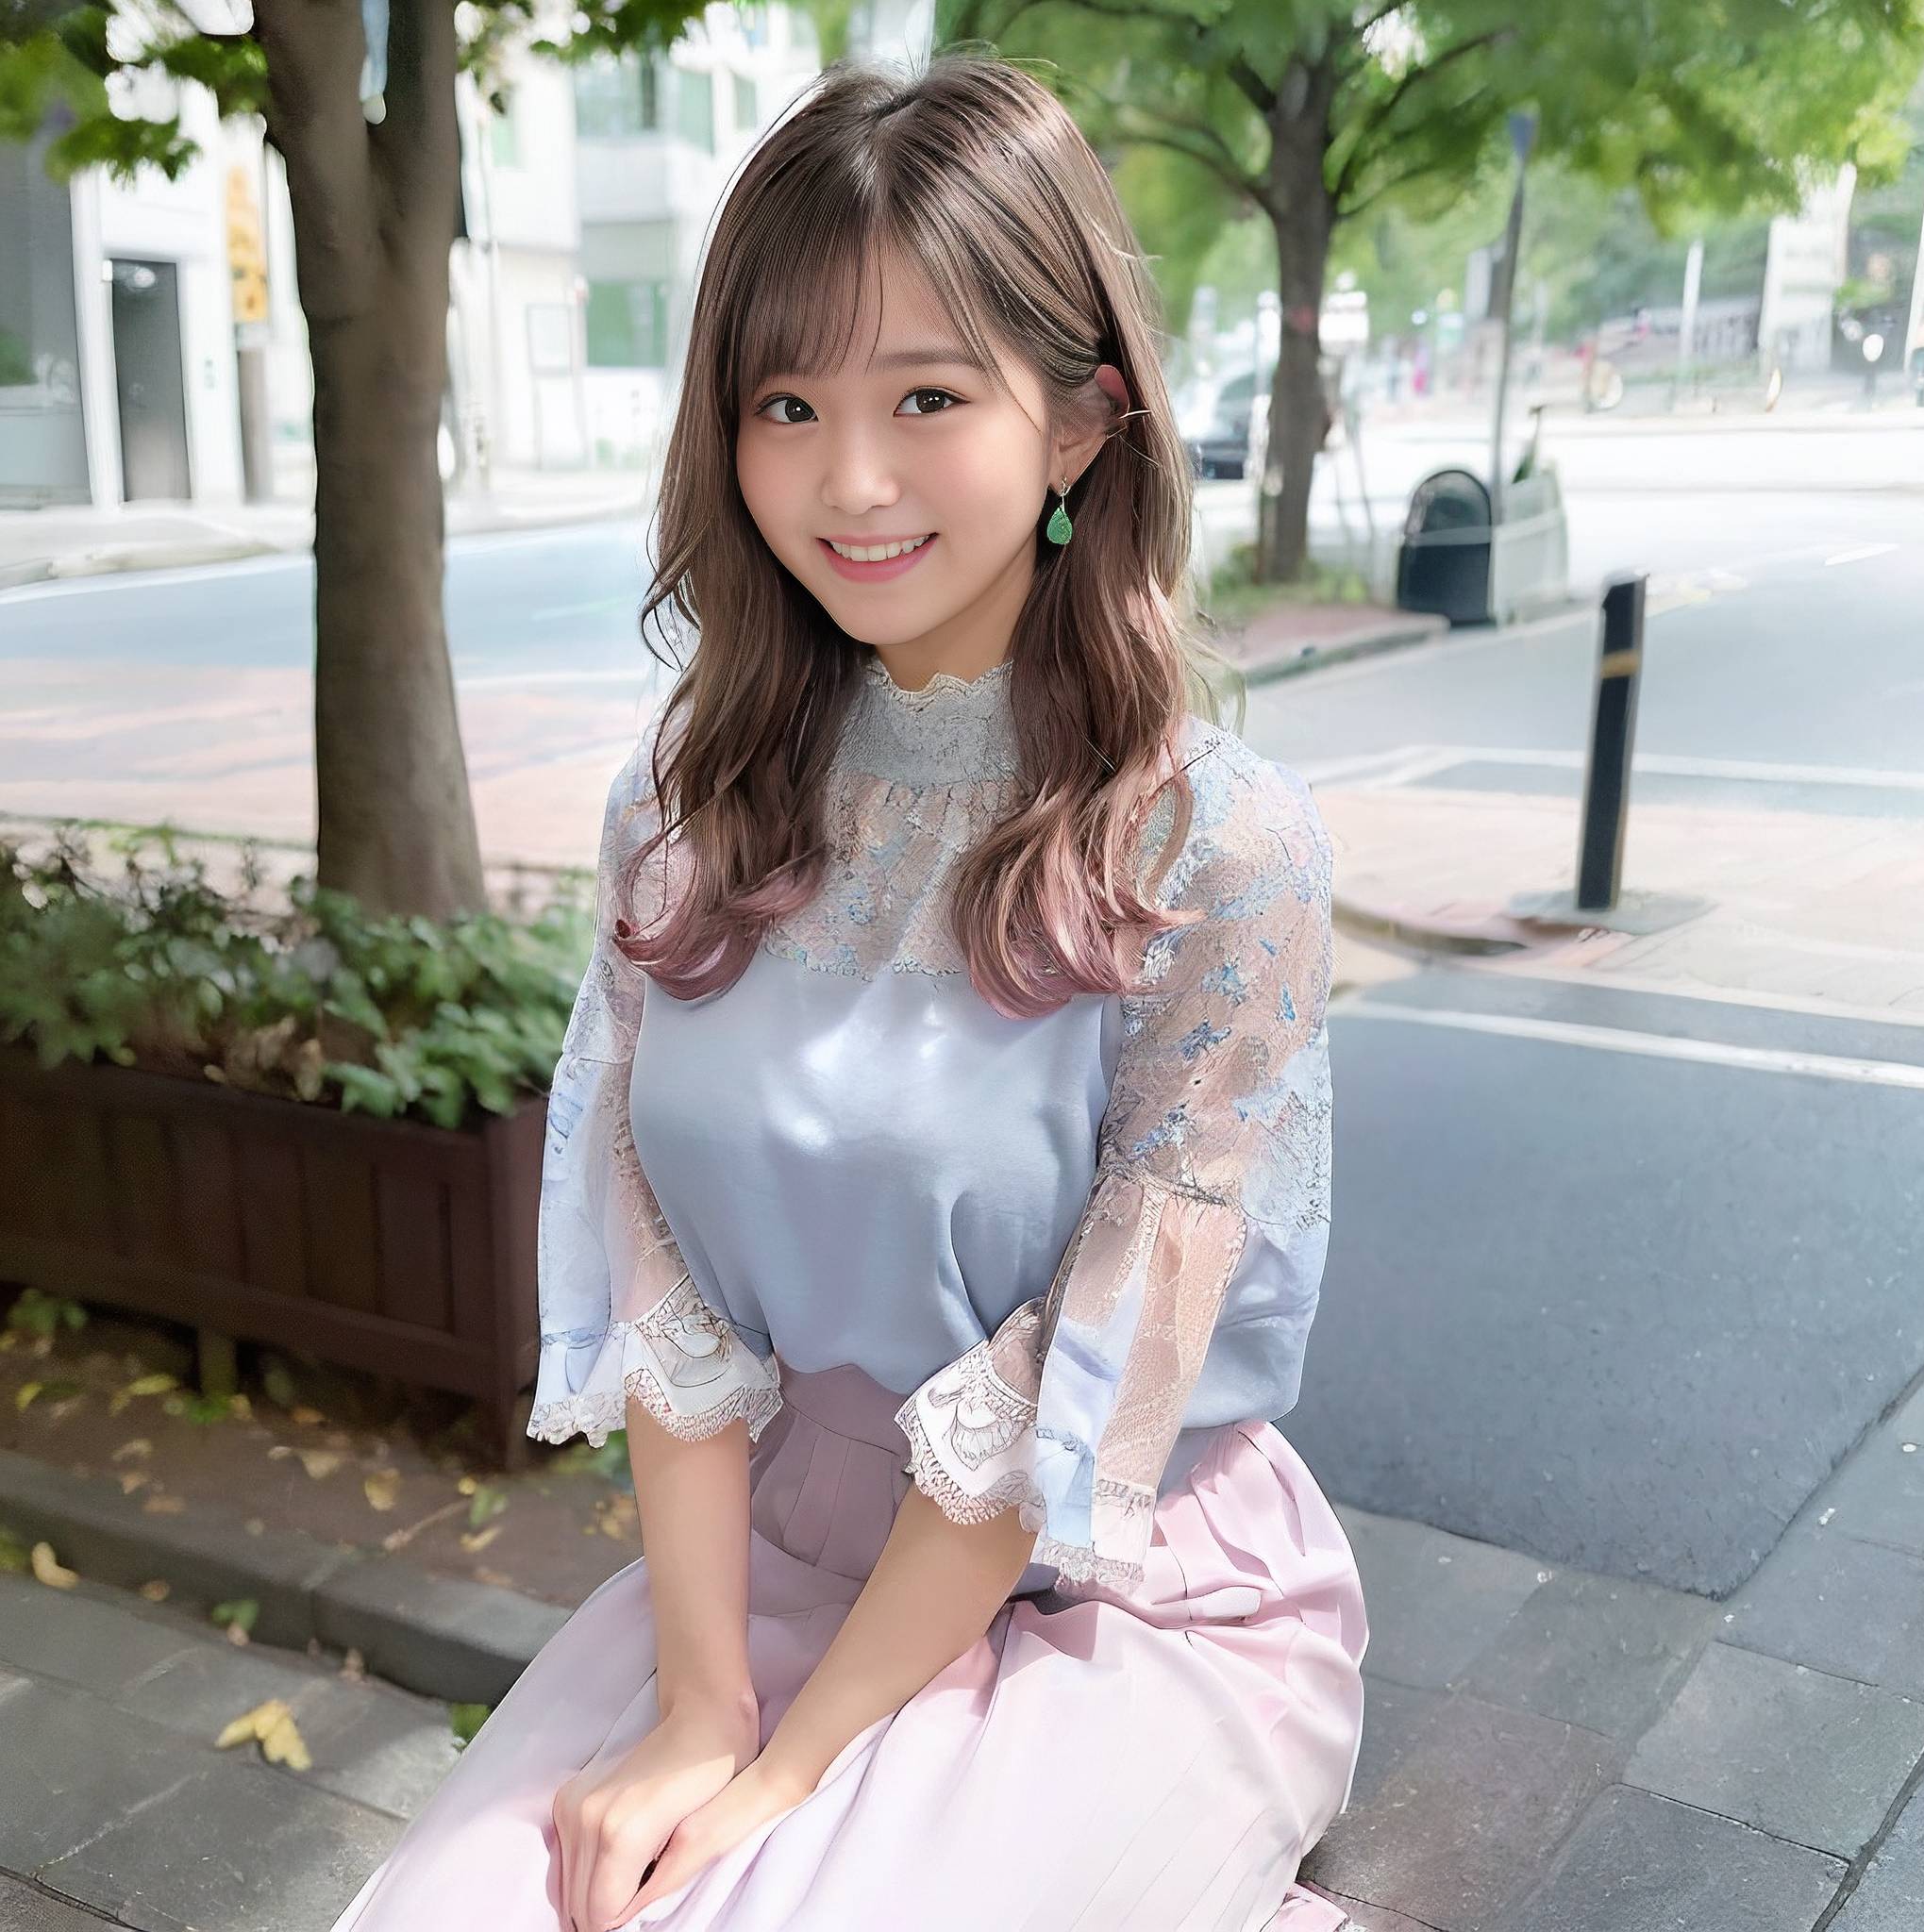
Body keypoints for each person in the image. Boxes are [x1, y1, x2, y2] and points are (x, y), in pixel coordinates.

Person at [326, 50, 1368, 1932]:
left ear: (1077, 425)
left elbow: (1090, 1377)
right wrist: (703, 1704)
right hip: (774, 1561)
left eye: (930, 396)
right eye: (785, 400)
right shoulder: (690, 804)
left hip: (1106, 1587)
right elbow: (665, 1290)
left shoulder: (1215, 848)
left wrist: (785, 1781)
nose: (850, 478)